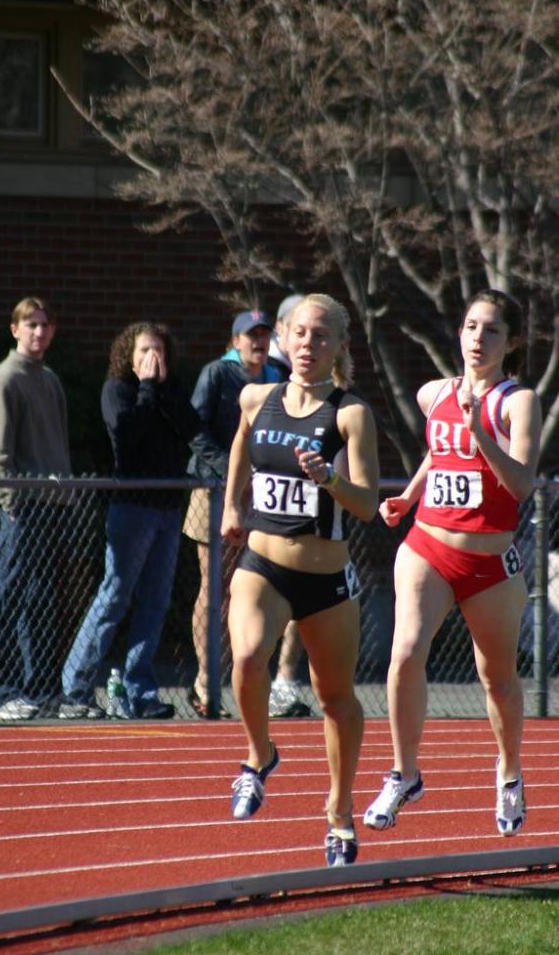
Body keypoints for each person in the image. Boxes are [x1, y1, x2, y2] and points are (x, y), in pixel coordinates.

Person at [363, 289, 541, 838]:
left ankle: (509, 771)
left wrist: (481, 430)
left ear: (510, 342)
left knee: (497, 678)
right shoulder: (434, 393)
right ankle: (404, 772)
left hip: (490, 562)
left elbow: (521, 482)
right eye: (470, 327)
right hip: (428, 547)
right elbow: (440, 452)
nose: (477, 339)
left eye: (490, 330)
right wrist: (411, 496)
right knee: (406, 652)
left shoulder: (518, 401)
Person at [221, 293, 379, 867]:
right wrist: (232, 505)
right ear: (284, 339)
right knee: (245, 660)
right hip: (262, 563)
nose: (308, 344)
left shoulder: (349, 413)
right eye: (300, 333)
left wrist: (331, 478)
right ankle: (259, 755)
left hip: (325, 578)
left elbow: (365, 504)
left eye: (321, 336)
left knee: (335, 699)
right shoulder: (256, 395)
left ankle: (339, 814)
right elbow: (242, 436)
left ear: (338, 347)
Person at [59, 321, 201, 720]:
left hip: (167, 510)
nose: (151, 359)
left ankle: (138, 690)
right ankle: (77, 686)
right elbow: (126, 435)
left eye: (158, 351)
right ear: (128, 355)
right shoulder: (118, 390)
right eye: (143, 352)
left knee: (155, 603)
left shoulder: (169, 393)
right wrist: (146, 388)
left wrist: (163, 391)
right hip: (132, 510)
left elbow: (192, 429)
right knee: (115, 596)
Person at [183, 309, 280, 718]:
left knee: (253, 590)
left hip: (264, 497)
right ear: (234, 340)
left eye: (264, 334)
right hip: (215, 491)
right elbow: (193, 427)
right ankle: (206, 682)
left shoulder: (278, 376)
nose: (258, 341)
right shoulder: (217, 374)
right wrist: (230, 469)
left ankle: (248, 680)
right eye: (249, 335)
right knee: (214, 587)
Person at [0, 296, 72, 721]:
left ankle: (38, 689)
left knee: (39, 602)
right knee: (8, 595)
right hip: (22, 507)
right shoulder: (5, 379)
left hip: (51, 505)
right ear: (14, 329)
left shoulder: (49, 379)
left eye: (46, 325)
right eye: (31, 324)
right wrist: (10, 503)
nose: (39, 332)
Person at [266, 292, 313, 720]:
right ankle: (213, 680)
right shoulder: (258, 384)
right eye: (298, 331)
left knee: (299, 603)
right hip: (257, 517)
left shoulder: (333, 396)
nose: (307, 343)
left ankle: (283, 679)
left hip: (306, 521)